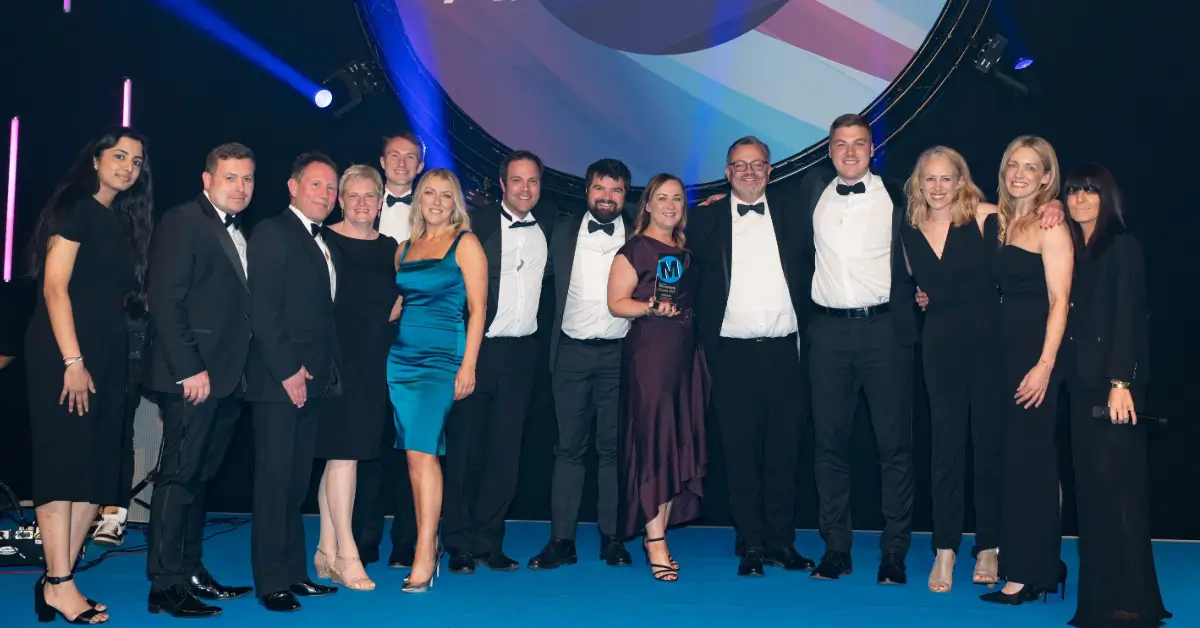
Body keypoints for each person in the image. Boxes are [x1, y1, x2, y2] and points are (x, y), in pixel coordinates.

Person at [904, 147, 1065, 593]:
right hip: (939, 348)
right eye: (928, 179)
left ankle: (990, 545)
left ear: (961, 181)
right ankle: (945, 549)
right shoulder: (910, 225)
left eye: (946, 178)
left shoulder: (981, 215)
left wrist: (1056, 204)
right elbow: (923, 287)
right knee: (945, 451)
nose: (937, 187)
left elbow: (1025, 208)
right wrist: (924, 296)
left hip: (991, 349)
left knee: (989, 448)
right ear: (918, 183)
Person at [25, 126, 154, 624]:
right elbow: (55, 289)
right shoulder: (76, 207)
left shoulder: (116, 220)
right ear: (95, 159)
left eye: (137, 161)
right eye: (119, 156)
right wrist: (72, 362)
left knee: (96, 472)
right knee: (64, 466)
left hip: (106, 356)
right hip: (66, 356)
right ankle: (59, 584)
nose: (128, 166)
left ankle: (59, 576)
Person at [792, 114, 917, 584]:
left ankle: (894, 553)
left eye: (859, 144)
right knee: (828, 446)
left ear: (873, 149)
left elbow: (955, 213)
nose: (849, 152)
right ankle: (836, 549)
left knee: (895, 447)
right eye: (840, 144)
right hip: (826, 333)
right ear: (828, 150)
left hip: (884, 331)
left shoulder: (900, 194)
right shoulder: (810, 191)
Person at [689, 137, 815, 577]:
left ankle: (782, 541)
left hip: (785, 353)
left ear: (770, 171)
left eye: (757, 164)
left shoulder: (795, 212)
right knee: (739, 453)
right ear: (726, 173)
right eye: (739, 165)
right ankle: (751, 543)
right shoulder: (702, 219)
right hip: (731, 356)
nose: (748, 172)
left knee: (784, 451)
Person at [142, 142, 257, 617]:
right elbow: (165, 301)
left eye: (248, 178)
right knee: (178, 478)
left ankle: (189, 569)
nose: (240, 187)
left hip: (228, 378)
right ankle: (164, 586)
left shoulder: (236, 229)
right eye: (230, 177)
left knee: (200, 479)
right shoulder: (182, 220)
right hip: (191, 377)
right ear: (207, 179)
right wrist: (190, 368)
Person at [1062, 163, 1170, 627]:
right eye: (1074, 192)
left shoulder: (1122, 247)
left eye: (1091, 191)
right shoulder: (1074, 248)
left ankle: (1131, 604)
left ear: (1108, 198)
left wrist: (1121, 383)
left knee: (1121, 492)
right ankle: (1101, 599)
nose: (1081, 199)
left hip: (1115, 389)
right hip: (1081, 386)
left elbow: (1129, 318)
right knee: (1093, 495)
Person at [442, 150, 554, 574]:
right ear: (502, 185)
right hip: (477, 351)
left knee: (506, 455)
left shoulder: (552, 224)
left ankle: (490, 541)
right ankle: (457, 543)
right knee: (465, 450)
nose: (526, 189)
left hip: (523, 353)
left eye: (533, 181)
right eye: (517, 181)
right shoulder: (476, 226)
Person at [245, 152, 344, 612]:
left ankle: (294, 572)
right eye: (317, 185)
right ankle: (271, 581)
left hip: (311, 381)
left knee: (295, 483)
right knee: (273, 481)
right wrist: (287, 370)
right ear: (293, 186)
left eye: (331, 187)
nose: (326, 194)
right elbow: (262, 310)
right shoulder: (271, 232)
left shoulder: (320, 241)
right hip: (278, 382)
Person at [528, 159, 636, 570]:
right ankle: (562, 540)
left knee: (613, 450)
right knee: (568, 449)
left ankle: (613, 538)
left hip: (620, 354)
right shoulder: (562, 228)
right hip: (571, 352)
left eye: (616, 190)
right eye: (599, 188)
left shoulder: (639, 234)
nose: (606, 197)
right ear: (586, 191)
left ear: (626, 196)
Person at [980, 135, 1073, 605]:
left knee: (1033, 462)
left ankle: (1028, 572)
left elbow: (1060, 302)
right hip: (1002, 354)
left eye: (1030, 167)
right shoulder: (999, 219)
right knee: (1017, 462)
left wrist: (1044, 366)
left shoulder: (1050, 225)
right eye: (1012, 164)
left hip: (1035, 357)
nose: (1019, 174)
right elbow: (939, 195)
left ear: (1046, 176)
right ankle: (1039, 564)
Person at [388, 168, 487, 592]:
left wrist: (469, 366)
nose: (436, 200)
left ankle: (426, 550)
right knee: (414, 454)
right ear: (418, 199)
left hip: (442, 359)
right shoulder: (404, 249)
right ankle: (427, 544)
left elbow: (480, 310)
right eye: (429, 192)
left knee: (422, 451)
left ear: (455, 203)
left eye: (445, 195)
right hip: (402, 360)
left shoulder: (466, 244)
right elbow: (394, 306)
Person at [608, 173, 708, 582]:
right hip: (650, 356)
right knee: (653, 442)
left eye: (677, 199)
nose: (670, 205)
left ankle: (660, 531)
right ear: (646, 204)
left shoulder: (683, 252)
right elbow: (615, 304)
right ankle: (655, 542)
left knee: (675, 441)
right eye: (662, 198)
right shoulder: (633, 250)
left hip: (684, 357)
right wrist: (649, 307)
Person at [312, 165, 400, 592]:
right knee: (343, 454)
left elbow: (400, 299)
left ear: (381, 201)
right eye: (355, 196)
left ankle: (325, 546)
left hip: (373, 363)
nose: (363, 203)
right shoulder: (323, 240)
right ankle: (348, 553)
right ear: (341, 200)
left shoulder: (391, 249)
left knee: (340, 457)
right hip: (331, 363)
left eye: (371, 196)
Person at [352, 132, 424, 568]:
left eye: (410, 157)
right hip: (367, 339)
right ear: (381, 161)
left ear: (420, 165)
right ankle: (363, 540)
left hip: (416, 339)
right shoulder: (358, 209)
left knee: (412, 444)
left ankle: (407, 543)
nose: (401, 163)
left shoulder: (435, 208)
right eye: (394, 155)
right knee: (368, 440)